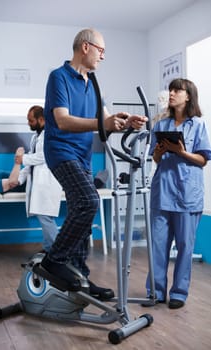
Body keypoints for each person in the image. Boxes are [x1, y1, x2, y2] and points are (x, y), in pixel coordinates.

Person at [38, 27, 148, 298]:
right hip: (61, 151)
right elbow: (62, 121)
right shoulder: (59, 77)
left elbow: (105, 125)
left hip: (83, 155)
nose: (103, 57)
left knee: (84, 215)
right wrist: (105, 122)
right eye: (101, 51)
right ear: (85, 47)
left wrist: (125, 124)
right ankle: (54, 260)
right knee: (89, 201)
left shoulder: (95, 83)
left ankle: (80, 279)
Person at [143, 78, 211, 309]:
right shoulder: (161, 125)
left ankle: (179, 293)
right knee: (158, 246)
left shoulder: (198, 125)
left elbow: (202, 160)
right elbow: (155, 158)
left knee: (184, 246)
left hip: (187, 194)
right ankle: (156, 292)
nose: (171, 94)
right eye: (170, 90)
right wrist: (161, 151)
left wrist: (181, 152)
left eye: (177, 90)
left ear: (188, 96)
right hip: (162, 192)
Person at [15, 105, 62, 253]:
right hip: (39, 183)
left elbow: (43, 157)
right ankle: (49, 249)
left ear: (41, 119)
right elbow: (30, 163)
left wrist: (23, 158)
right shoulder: (36, 137)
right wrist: (19, 179)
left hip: (48, 183)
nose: (28, 123)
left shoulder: (51, 134)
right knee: (44, 218)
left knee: (45, 218)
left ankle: (57, 251)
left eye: (31, 120)